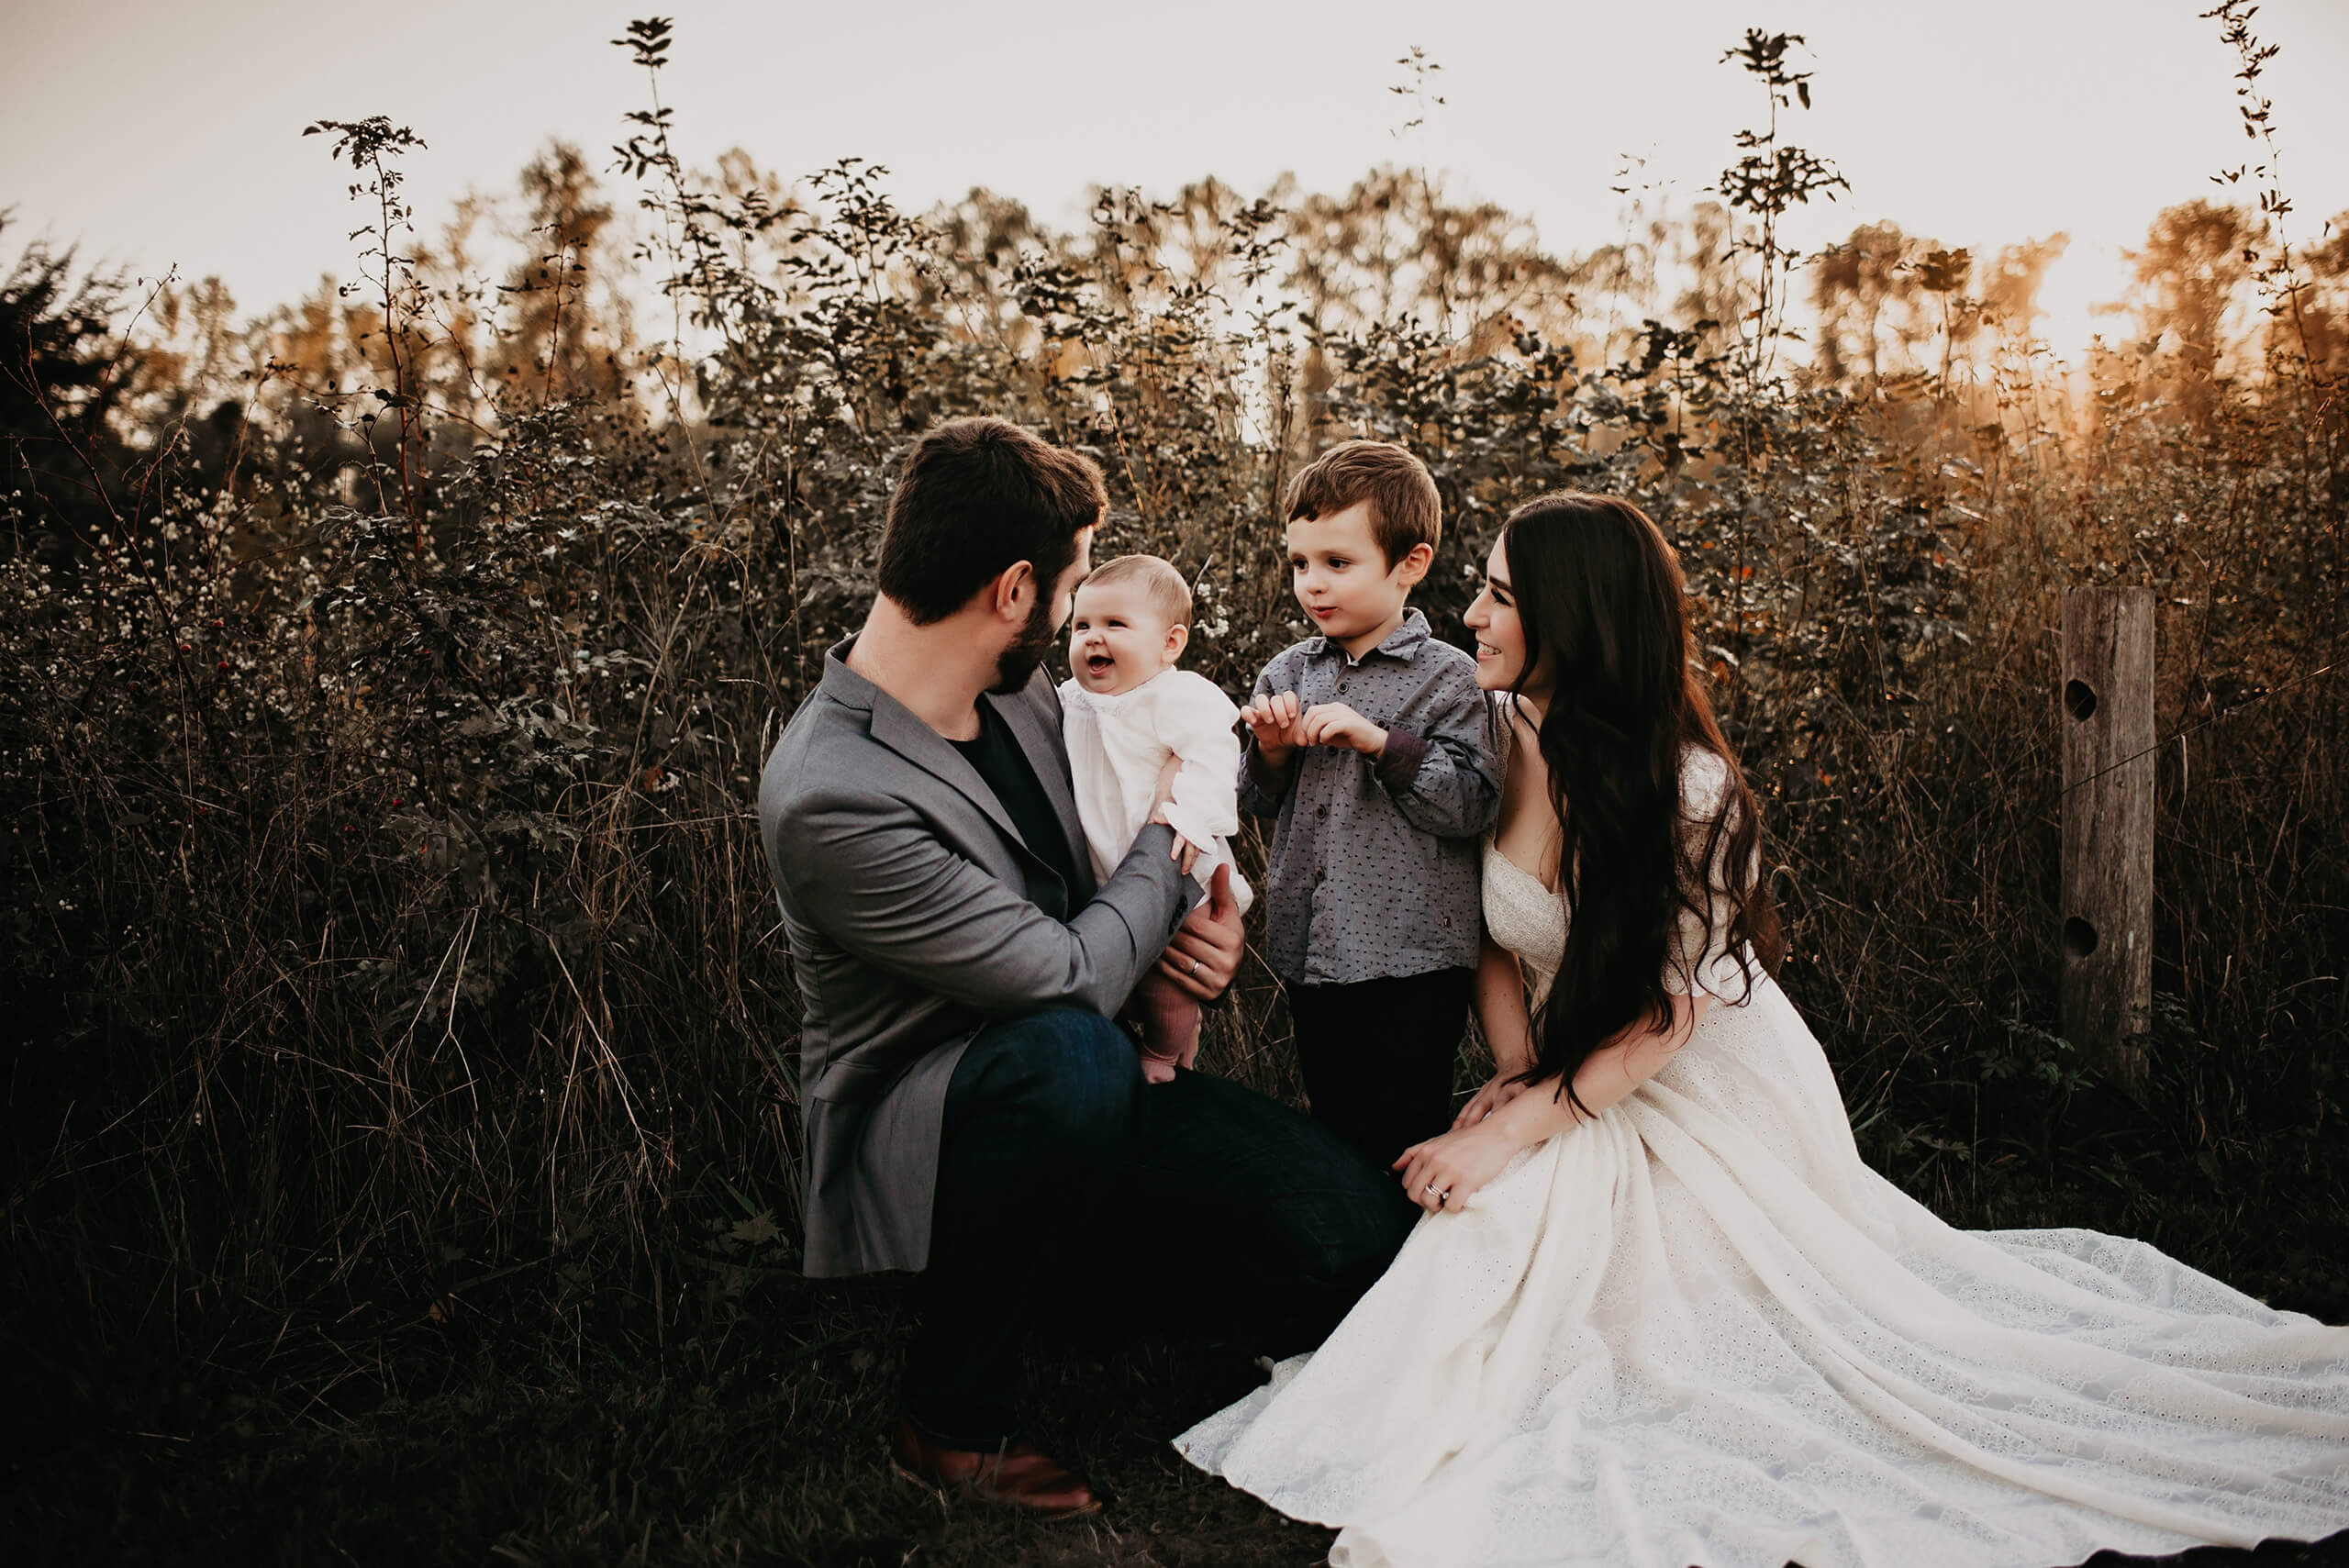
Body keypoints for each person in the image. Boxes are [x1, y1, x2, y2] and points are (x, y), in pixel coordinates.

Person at [1179, 492, 2349, 1567]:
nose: (1473, 613)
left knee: (1557, 1249)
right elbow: (1489, 935)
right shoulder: (1490, 729)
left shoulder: (1687, 792)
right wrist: (1515, 1069)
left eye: (1498, 594)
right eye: (1480, 586)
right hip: (1562, 1056)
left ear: (1574, 620)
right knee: (1483, 1243)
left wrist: (1521, 1124)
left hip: (1688, 1078)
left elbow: (1668, 1012)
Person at [757, 417, 1414, 1520]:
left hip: (1103, 1074)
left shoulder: (1029, 694)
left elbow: (1127, 828)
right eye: (1067, 592)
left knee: (1357, 1244)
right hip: (946, 1108)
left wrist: (1202, 925)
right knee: (1059, 1050)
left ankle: (1082, 1284)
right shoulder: (835, 791)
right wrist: (1176, 843)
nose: (1073, 621)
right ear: (1015, 589)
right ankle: (950, 1415)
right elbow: (1063, 975)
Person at [1237, 439, 1501, 1172]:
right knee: (1334, 1128)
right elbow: (1253, 801)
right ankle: (1350, 1262)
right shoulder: (1290, 669)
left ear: (1409, 564)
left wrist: (1382, 743)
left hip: (1411, 960)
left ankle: (1405, 1265)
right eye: (1300, 563)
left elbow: (1471, 803)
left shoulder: (1450, 679)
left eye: (1337, 563)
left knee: (1401, 1132)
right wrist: (1272, 751)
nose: (1312, 584)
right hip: (1313, 951)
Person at [1059, 552, 1255, 1083]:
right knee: (1128, 971)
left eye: (1115, 624)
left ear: (1170, 644)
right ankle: (1160, 1036)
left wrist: (1189, 817)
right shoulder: (1069, 699)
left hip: (1178, 860)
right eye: (1082, 626)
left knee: (1168, 977)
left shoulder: (1175, 695)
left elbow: (1215, 756)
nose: (1093, 638)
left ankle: (1166, 1055)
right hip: (1107, 867)